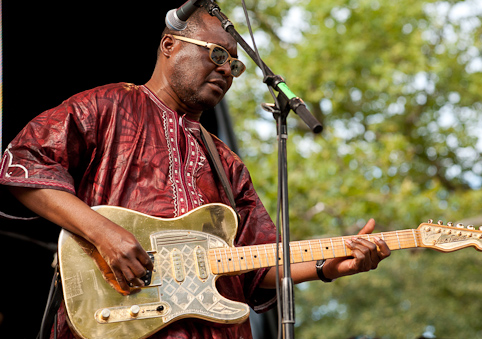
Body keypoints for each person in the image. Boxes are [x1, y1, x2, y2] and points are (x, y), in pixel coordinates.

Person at [0, 6, 391, 339]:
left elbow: (255, 265)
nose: (227, 71)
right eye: (216, 55)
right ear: (169, 46)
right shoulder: (109, 104)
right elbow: (22, 164)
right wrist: (104, 233)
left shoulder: (227, 163)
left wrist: (330, 266)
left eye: (234, 64)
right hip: (117, 320)